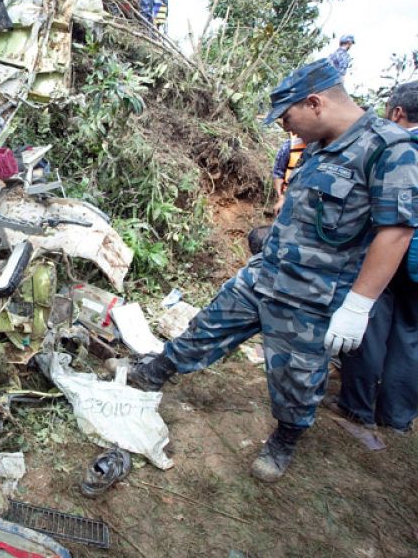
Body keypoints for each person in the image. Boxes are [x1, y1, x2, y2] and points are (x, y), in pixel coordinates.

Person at [114, 59, 418, 482]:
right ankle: (157, 370)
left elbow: (397, 231)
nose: (286, 130)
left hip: (312, 295)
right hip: (265, 274)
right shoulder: (320, 143)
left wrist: (358, 305)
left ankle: (285, 438)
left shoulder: (389, 148)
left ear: (314, 103)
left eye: (288, 118)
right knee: (208, 325)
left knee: (297, 378)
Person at [329, 81, 418, 433]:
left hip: (398, 256)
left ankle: (357, 406)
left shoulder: (400, 148)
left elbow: (394, 223)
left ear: (397, 112)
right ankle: (397, 417)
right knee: (410, 335)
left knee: (370, 323)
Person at [271, 133, 306, 215]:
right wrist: (281, 197)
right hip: (290, 199)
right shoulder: (289, 145)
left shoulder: (328, 146)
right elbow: (278, 172)